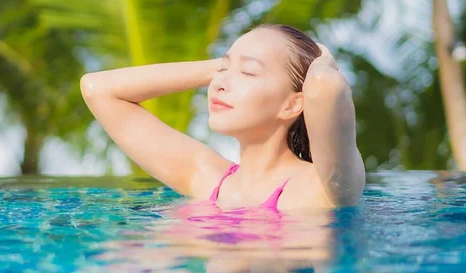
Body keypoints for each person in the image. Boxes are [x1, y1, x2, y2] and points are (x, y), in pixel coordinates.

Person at [80, 24, 365, 210]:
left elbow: (325, 88)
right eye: (222, 70)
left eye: (249, 73)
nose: (220, 83)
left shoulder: (323, 188)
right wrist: (223, 68)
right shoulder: (206, 179)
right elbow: (97, 89)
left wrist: (324, 59)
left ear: (292, 105)